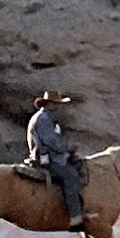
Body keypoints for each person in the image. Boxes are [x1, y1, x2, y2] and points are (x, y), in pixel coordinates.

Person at [28, 88, 84, 225]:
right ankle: (75, 216)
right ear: (50, 104)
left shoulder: (47, 118)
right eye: (57, 103)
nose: (59, 106)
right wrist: (69, 148)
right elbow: (52, 141)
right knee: (70, 175)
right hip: (47, 159)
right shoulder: (43, 119)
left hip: (52, 156)